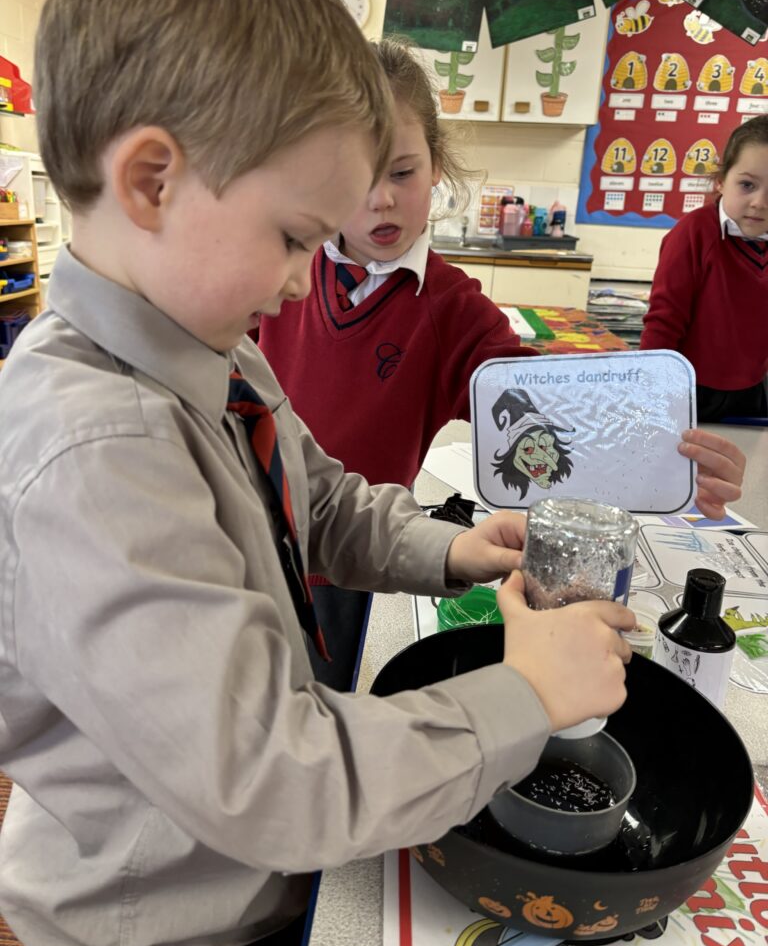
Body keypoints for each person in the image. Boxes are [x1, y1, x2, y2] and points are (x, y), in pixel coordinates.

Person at [0, 0, 641, 946]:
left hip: (253, 872)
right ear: (153, 182)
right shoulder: (90, 449)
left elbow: (319, 497)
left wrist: (451, 547)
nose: (305, 280)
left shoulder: (216, 349)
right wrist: (525, 695)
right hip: (162, 927)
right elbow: (270, 774)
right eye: (297, 235)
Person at [260, 38, 747, 689]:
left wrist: (660, 451)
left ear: (438, 168)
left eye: (402, 172)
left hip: (351, 566)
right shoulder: (272, 275)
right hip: (245, 542)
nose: (379, 199)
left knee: (319, 703)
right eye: (354, 177)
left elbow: (546, 423)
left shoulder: (454, 312)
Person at [641, 115, 768, 423]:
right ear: (721, 180)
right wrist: (649, 396)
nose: (760, 202)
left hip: (751, 393)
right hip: (688, 391)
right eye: (747, 185)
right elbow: (664, 321)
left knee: (745, 470)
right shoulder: (695, 232)